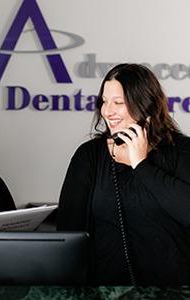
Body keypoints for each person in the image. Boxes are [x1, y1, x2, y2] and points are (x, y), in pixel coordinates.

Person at [57, 63, 190, 286]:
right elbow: (68, 235)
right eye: (104, 102)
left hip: (175, 291)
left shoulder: (182, 151)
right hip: (106, 291)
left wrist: (141, 164)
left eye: (118, 102)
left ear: (145, 105)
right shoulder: (89, 156)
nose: (107, 111)